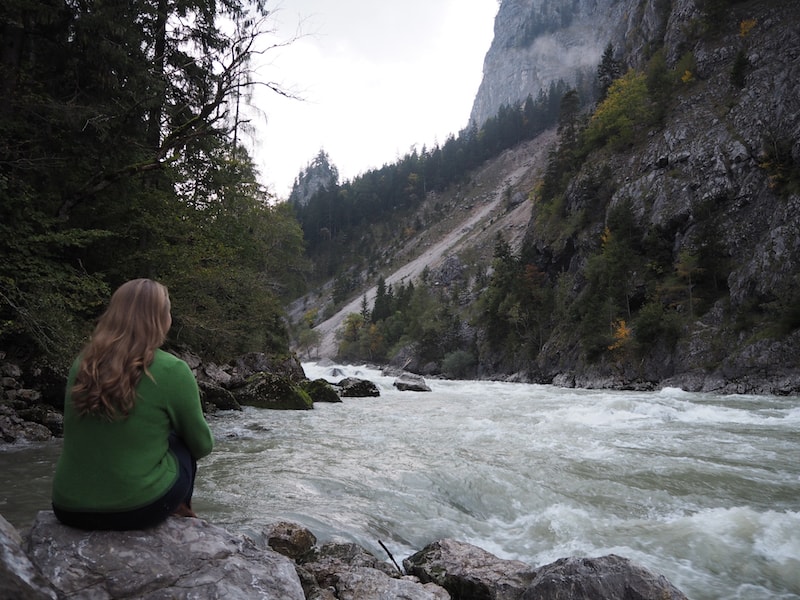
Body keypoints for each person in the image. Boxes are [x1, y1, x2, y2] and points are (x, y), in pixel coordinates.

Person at [52, 278, 214, 530]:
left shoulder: (83, 362)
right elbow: (202, 445)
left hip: (68, 508)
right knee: (180, 440)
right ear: (160, 319)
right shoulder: (172, 370)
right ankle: (182, 510)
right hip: (133, 509)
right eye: (168, 311)